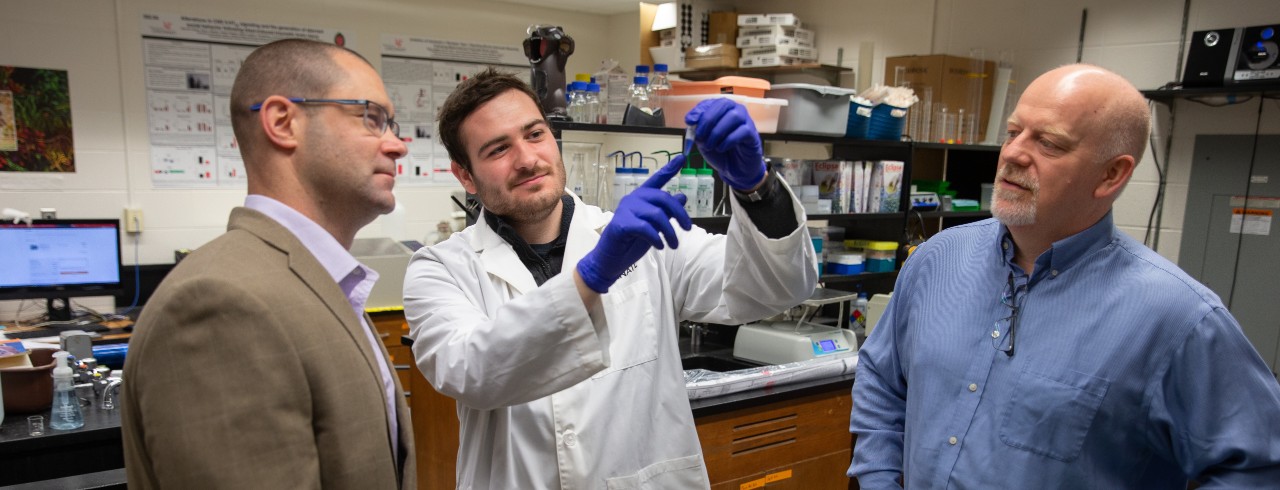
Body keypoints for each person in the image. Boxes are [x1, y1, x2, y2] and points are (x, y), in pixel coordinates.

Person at [849, 63, 1280, 488]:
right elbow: (882, 380)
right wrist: (880, 480)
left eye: (1049, 143)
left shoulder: (1179, 318)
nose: (1014, 153)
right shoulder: (937, 260)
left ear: (1111, 174)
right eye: (1013, 132)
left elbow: (1256, 469)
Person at [403, 68, 818, 488]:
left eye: (534, 135)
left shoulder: (646, 238)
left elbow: (773, 288)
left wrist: (756, 190)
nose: (527, 159)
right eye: (497, 150)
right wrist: (594, 273)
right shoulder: (440, 269)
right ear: (465, 177)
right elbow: (471, 371)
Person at [121, 39, 415, 489]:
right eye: (371, 118)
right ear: (283, 122)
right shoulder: (221, 303)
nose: (398, 146)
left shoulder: (320, 282)